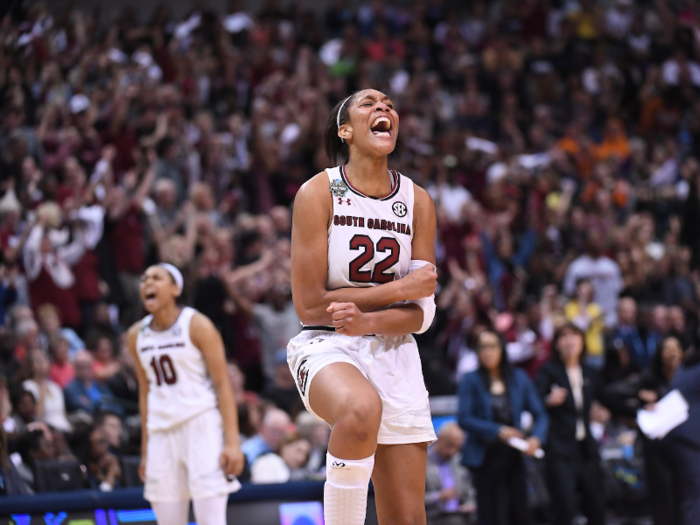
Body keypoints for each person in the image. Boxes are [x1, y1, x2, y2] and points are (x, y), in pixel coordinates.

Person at [288, 89, 439, 525]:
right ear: (346, 130)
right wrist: (399, 289)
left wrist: (369, 317)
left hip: (394, 348)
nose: (384, 108)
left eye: (390, 104)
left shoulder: (418, 201)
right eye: (369, 104)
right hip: (326, 343)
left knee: (407, 519)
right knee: (359, 409)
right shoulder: (318, 192)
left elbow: (423, 311)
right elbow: (311, 304)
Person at [127, 263, 244, 525]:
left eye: (156, 278)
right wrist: (146, 451)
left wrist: (232, 442)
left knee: (211, 520)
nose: (147, 283)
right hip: (160, 433)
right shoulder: (136, 335)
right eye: (144, 278)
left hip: (201, 426)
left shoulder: (197, 324)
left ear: (175, 288)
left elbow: (223, 385)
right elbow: (145, 395)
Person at [535, 323, 636, 525]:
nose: (569, 341)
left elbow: (609, 400)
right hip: (560, 449)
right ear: (556, 344)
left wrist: (639, 409)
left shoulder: (589, 372)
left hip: (586, 449)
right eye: (564, 337)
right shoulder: (549, 371)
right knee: (565, 507)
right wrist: (548, 400)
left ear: (582, 341)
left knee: (597, 506)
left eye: (574, 336)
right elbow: (533, 401)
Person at [457, 330, 548, 525]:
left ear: (502, 349)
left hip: (515, 456)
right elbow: (464, 418)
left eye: (492, 346)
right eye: (482, 347)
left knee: (520, 513)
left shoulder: (519, 377)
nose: (487, 352)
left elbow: (540, 414)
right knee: (491, 515)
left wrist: (536, 438)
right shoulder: (470, 380)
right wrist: (499, 431)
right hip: (485, 457)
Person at [425, 422, 477, 525]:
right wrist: (438, 496)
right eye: (450, 445)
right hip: (434, 516)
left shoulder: (459, 462)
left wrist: (470, 504)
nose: (452, 452)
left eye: (457, 447)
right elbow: (415, 500)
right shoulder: (422, 464)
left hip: (461, 514)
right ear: (439, 439)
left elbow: (471, 492)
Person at [22, 348, 71, 432]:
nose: (41, 363)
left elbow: (63, 414)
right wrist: (42, 391)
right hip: (45, 428)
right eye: (37, 360)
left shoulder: (55, 387)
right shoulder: (28, 386)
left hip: (63, 428)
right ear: (31, 366)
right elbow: (36, 416)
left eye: (43, 359)